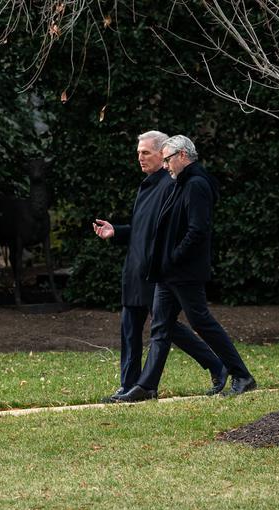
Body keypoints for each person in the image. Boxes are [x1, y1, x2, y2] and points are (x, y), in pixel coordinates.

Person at [115, 135, 256, 402]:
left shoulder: (195, 184)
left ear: (182, 156)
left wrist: (173, 257)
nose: (165, 165)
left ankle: (241, 375)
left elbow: (197, 230)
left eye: (168, 159)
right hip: (169, 273)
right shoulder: (182, 183)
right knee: (160, 327)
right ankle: (146, 386)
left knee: (201, 322)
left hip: (184, 272)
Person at [93, 131, 226, 402]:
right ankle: (128, 384)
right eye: (138, 153)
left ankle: (215, 364)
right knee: (131, 327)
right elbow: (142, 230)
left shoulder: (171, 185)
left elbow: (171, 232)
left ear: (162, 153)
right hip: (135, 268)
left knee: (165, 328)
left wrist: (168, 261)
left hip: (155, 271)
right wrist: (116, 232)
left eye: (146, 153)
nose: (140, 158)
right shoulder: (147, 185)